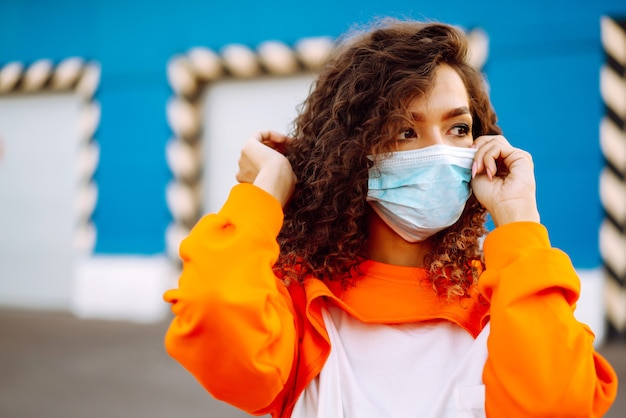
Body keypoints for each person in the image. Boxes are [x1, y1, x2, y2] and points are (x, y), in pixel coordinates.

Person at [164, 19, 618, 417]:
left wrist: (519, 219)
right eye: (406, 131)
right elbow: (215, 316)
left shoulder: (508, 296)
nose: (439, 150)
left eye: (458, 128)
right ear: (351, 155)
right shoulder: (301, 307)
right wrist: (265, 190)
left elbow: (558, 405)